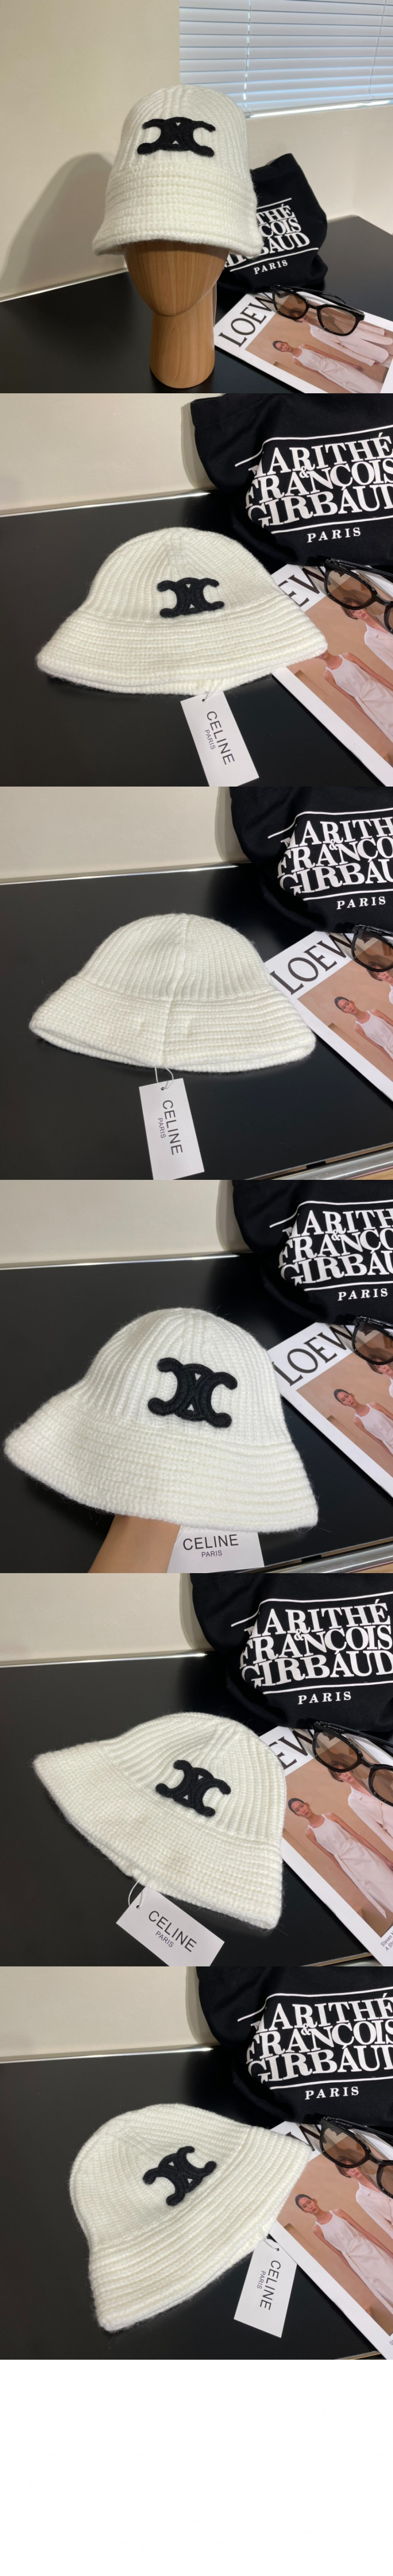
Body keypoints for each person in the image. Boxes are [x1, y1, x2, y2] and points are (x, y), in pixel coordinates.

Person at [288, 1794, 393, 1918]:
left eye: (302, 1806)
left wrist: (384, 1859)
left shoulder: (330, 1817)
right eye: (298, 1810)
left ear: (307, 1804)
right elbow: (332, 1858)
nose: (302, 1810)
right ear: (297, 1815)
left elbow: (358, 1837)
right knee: (378, 1892)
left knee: (388, 1879)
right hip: (350, 1866)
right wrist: (353, 1881)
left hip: (363, 1854)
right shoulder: (310, 1833)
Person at [295, 2191, 393, 2314]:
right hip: (357, 2263)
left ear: (315, 2200)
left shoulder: (338, 2213)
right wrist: (361, 2279)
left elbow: (366, 2233)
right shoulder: (318, 2230)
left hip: (370, 2250)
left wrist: (389, 2253)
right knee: (384, 2288)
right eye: (305, 2206)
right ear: (304, 2211)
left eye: (309, 2202)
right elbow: (340, 2255)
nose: (310, 2206)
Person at [324, 653, 393, 751]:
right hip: (370, 706)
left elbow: (377, 677)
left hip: (381, 693)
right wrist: (376, 724)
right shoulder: (328, 675)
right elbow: (352, 700)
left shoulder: (348, 657)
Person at [332, 1383, 393, 1457]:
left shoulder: (374, 1406)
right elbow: (379, 1442)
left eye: (347, 1396)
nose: (348, 1400)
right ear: (343, 1404)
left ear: (352, 1395)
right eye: (344, 1400)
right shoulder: (357, 1421)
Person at [333, 994, 393, 1067]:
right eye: (344, 1008)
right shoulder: (358, 1028)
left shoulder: (375, 1013)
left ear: (352, 1002)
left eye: (348, 1004)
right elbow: (380, 1048)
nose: (349, 1008)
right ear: (344, 1012)